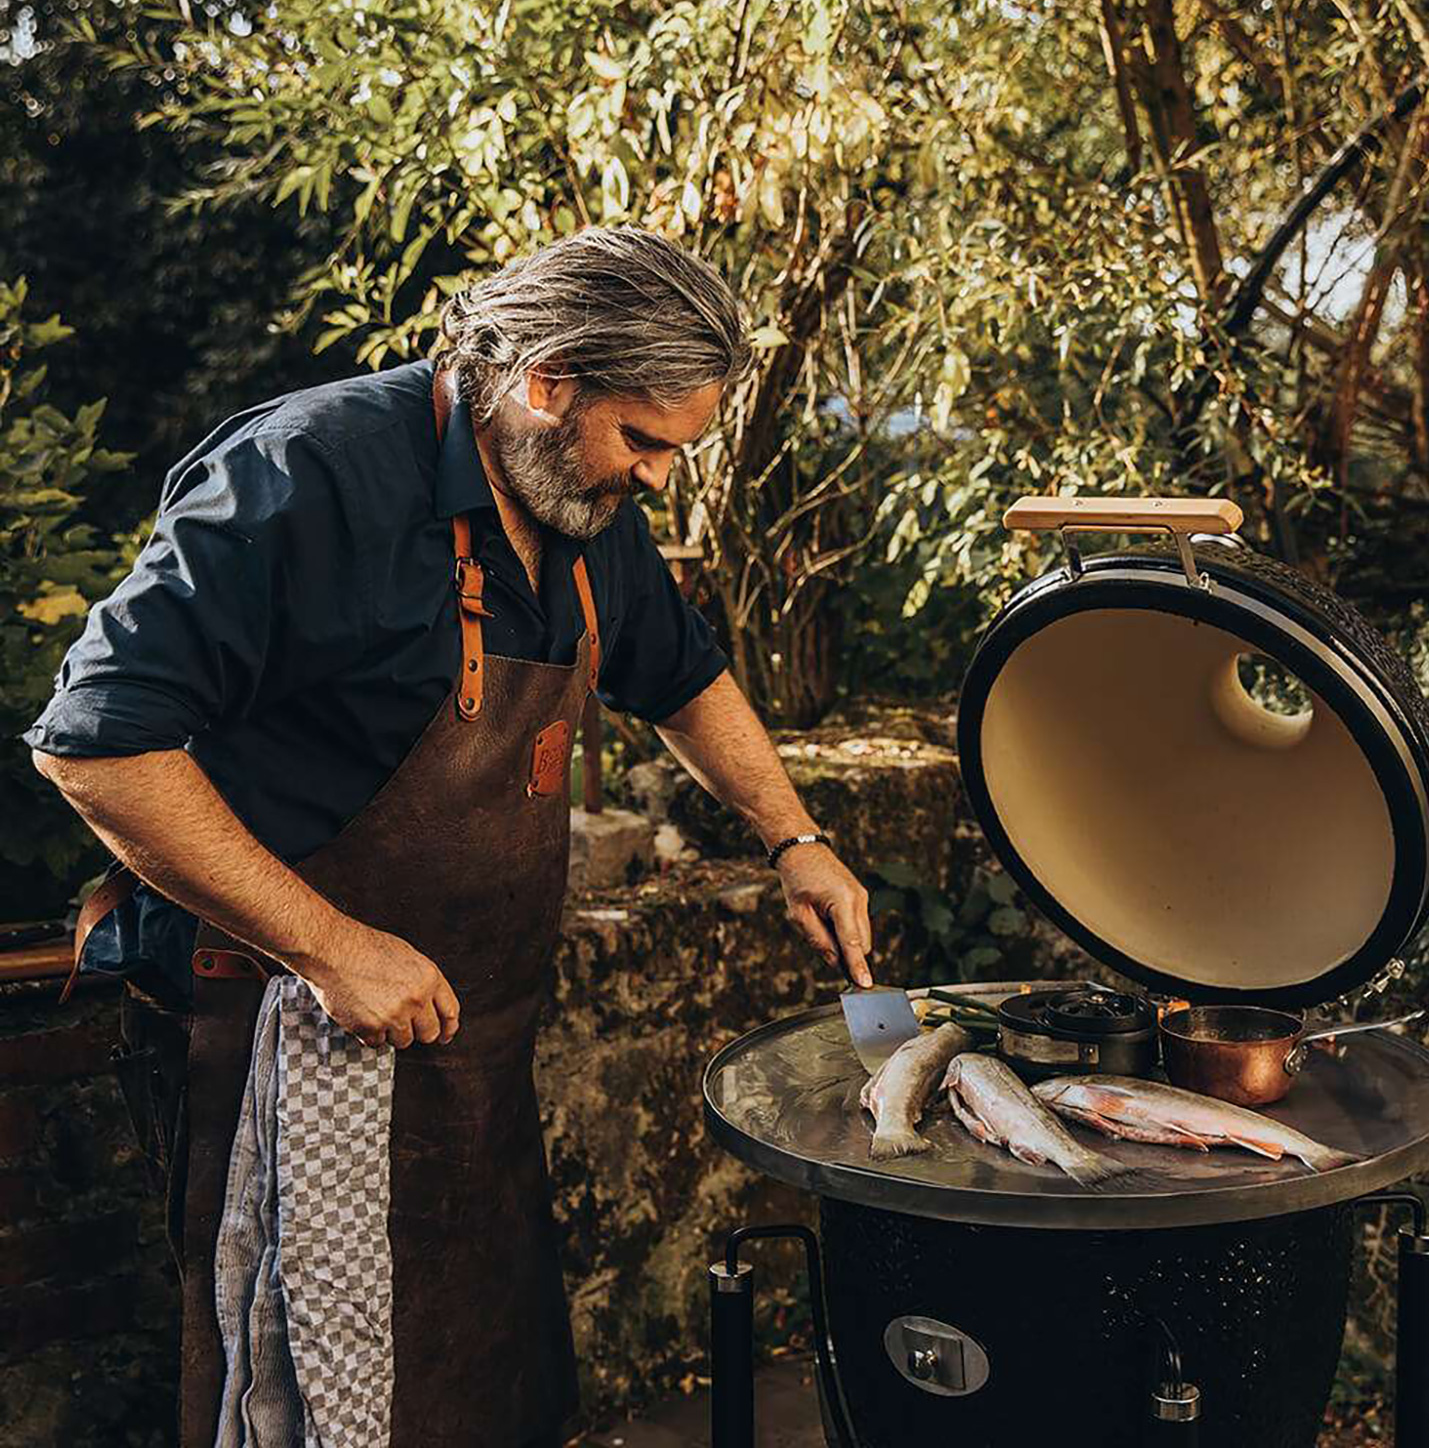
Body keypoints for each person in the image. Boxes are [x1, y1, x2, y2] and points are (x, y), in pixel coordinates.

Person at [27, 226, 874, 1448]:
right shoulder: (304, 477)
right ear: (544, 379)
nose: (659, 476)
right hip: (275, 1031)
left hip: (472, 1054)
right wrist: (328, 947)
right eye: (644, 439)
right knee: (300, 1400)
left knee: (477, 1391)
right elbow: (95, 742)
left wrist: (795, 836)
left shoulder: (580, 502)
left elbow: (685, 676)